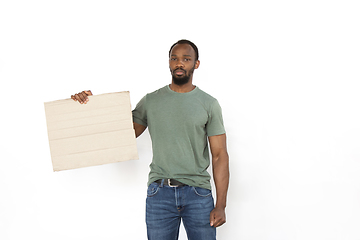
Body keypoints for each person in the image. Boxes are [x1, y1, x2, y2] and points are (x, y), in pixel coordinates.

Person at [71, 39, 229, 240]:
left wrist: (221, 205)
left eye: (186, 59)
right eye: (174, 59)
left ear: (196, 64)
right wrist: (89, 106)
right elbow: (122, 133)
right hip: (159, 194)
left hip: (198, 194)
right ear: (169, 62)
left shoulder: (209, 104)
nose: (179, 64)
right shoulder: (151, 101)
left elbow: (219, 155)